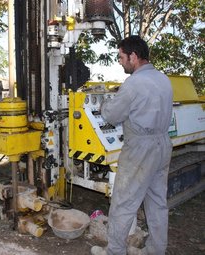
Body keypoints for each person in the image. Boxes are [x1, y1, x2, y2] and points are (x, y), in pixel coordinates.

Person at [91, 36, 173, 255]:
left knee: (123, 203)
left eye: (121, 57)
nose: (120, 61)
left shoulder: (134, 83)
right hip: (163, 144)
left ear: (133, 57)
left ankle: (114, 251)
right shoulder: (163, 79)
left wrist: (104, 102)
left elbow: (112, 115)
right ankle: (156, 250)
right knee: (157, 201)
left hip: (140, 148)